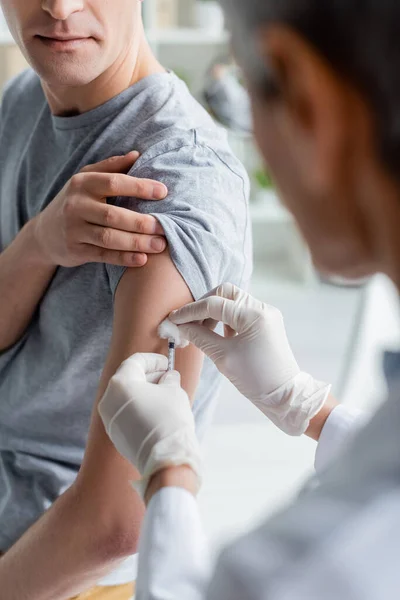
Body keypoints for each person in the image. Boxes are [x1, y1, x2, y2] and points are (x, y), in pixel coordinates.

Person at [99, 0, 400, 598]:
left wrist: (168, 474)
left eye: (243, 87)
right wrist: (311, 408)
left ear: (306, 102)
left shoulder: (325, 562)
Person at [0, 1, 251, 598]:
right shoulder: (23, 101)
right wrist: (39, 243)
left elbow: (116, 520)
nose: (60, 7)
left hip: (52, 571)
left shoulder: (177, 179)